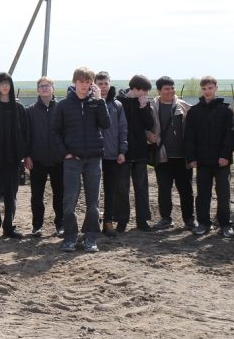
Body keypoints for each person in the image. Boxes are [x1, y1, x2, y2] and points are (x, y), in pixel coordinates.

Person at [52, 67, 110, 253]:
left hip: (93, 159)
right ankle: (70, 237)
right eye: (81, 81)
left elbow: (106, 124)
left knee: (93, 202)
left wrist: (100, 101)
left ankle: (90, 237)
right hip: (72, 160)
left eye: (88, 82)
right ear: (75, 82)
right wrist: (65, 153)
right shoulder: (63, 105)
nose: (84, 85)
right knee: (70, 200)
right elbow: (55, 132)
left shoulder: (97, 103)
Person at [184, 76, 234, 237]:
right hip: (202, 161)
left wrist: (225, 155)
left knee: (223, 194)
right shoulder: (194, 111)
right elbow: (189, 137)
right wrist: (191, 158)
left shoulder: (226, 110)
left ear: (216, 88)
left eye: (210, 88)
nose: (207, 91)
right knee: (203, 194)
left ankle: (225, 224)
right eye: (204, 88)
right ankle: (204, 223)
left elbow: (231, 135)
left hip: (222, 161)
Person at [0, 72, 29, 240]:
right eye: (1, 83)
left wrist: (23, 154)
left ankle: (9, 227)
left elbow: (25, 133)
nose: (5, 86)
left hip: (13, 159)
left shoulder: (19, 109)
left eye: (7, 83)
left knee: (11, 194)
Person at [148, 76, 196, 231]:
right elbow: (144, 127)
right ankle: (165, 218)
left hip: (183, 157)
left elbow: (194, 128)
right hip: (163, 157)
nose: (170, 91)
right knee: (164, 189)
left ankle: (189, 219)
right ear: (159, 90)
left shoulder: (184, 106)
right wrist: (149, 135)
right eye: (166, 89)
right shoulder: (151, 107)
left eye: (172, 88)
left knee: (186, 190)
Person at [115, 75, 156, 232]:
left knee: (141, 188)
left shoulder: (144, 103)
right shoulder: (119, 102)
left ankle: (142, 220)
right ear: (135, 89)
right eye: (144, 91)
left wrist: (144, 108)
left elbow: (149, 125)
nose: (146, 94)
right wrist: (120, 150)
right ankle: (122, 221)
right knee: (122, 188)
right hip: (123, 152)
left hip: (140, 152)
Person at [24, 77, 63, 238]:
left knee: (60, 194)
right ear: (38, 90)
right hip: (37, 160)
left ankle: (60, 225)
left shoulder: (61, 108)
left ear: (53, 88)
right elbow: (26, 135)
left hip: (59, 159)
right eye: (41, 86)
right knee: (37, 196)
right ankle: (37, 226)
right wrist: (27, 155)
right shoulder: (30, 111)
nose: (45, 88)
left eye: (47, 86)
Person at [95, 71, 128, 238]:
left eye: (105, 84)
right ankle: (93, 222)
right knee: (92, 192)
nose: (103, 87)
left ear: (110, 84)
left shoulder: (117, 106)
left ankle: (108, 222)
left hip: (112, 155)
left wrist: (122, 151)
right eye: (99, 84)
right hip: (93, 155)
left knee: (111, 191)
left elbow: (123, 129)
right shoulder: (89, 104)